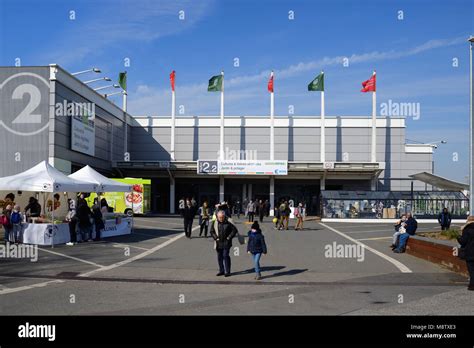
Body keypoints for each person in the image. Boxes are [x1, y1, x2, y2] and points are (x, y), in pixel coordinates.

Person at [210, 210, 238, 277]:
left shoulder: (229, 221)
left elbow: (234, 230)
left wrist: (229, 237)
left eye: (222, 217)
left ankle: (227, 271)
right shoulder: (215, 222)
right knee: (219, 257)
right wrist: (216, 238)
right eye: (219, 217)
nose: (221, 219)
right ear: (217, 217)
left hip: (226, 242)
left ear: (224, 216)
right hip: (218, 242)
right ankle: (221, 270)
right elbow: (212, 231)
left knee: (225, 256)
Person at [457, 216, 474, 291]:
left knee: (471, 270)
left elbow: (463, 242)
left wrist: (458, 237)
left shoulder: (467, 229)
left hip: (470, 253)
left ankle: (472, 285)